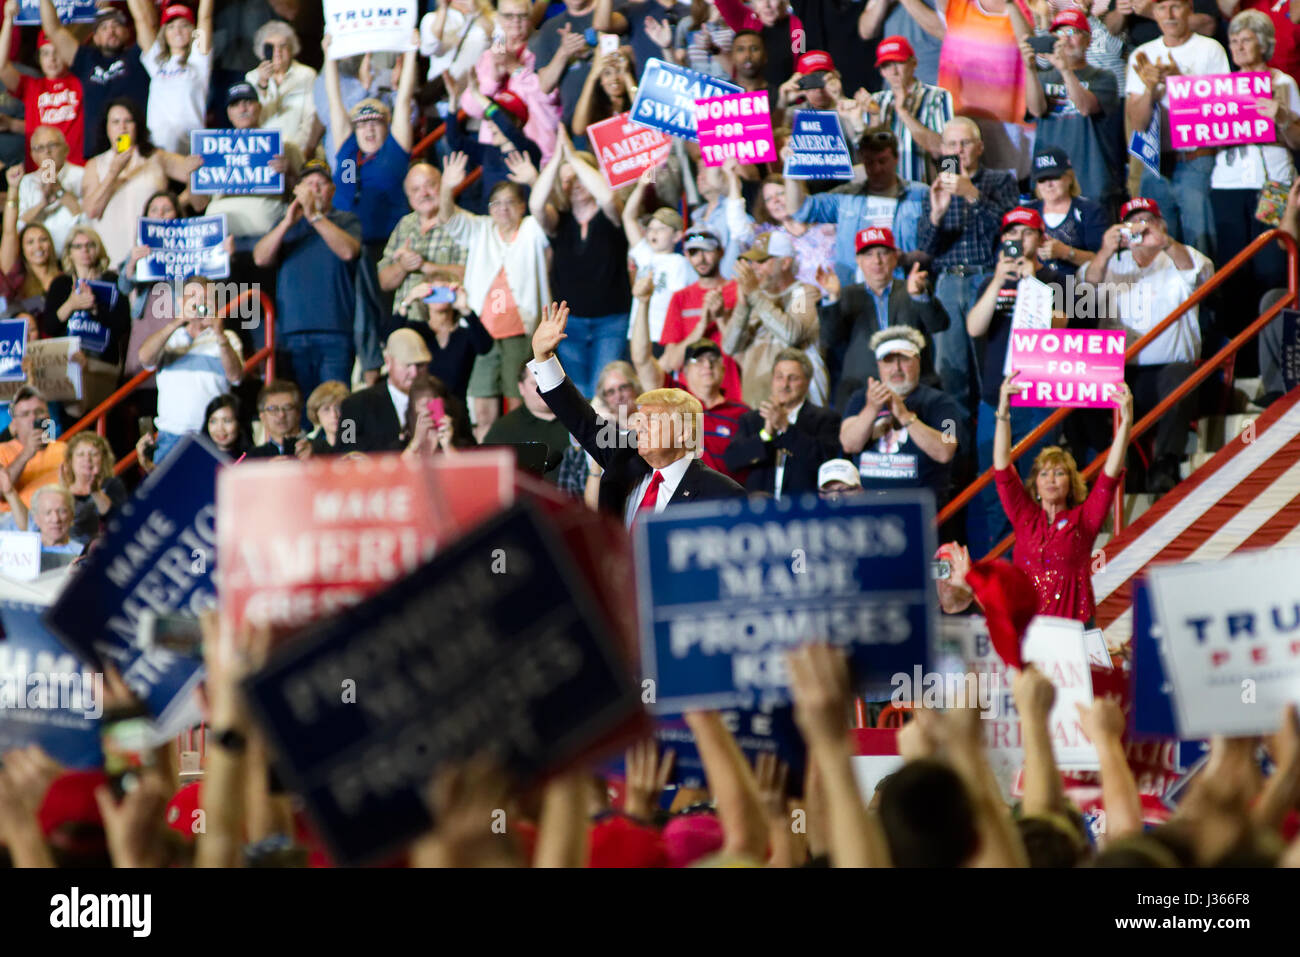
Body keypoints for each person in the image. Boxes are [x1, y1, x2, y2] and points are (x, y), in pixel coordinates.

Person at [528, 299, 745, 524]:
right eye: (639, 419)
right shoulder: (625, 457)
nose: (638, 426)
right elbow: (581, 419)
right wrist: (543, 358)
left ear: (683, 432)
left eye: (651, 419)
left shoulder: (722, 494)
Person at [1082, 196, 1214, 493]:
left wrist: (1164, 242)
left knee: (1180, 378)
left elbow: (1202, 274)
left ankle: (1164, 464)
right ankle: (1125, 470)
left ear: (1161, 225)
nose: (1140, 229)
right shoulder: (1111, 262)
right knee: (1085, 392)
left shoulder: (1180, 255)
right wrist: (1104, 252)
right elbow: (1084, 294)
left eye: (1148, 221)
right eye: (1133, 223)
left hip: (1170, 368)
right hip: (1122, 371)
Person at [967, 206, 1072, 553]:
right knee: (994, 487)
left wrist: (1033, 282)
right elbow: (974, 328)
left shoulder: (1058, 281)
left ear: (1041, 239)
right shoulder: (991, 280)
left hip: (1037, 398)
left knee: (1040, 485)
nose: (1017, 239)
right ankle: (1002, 565)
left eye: (1025, 233)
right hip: (996, 400)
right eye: (1010, 233)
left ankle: (1040, 560)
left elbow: (1059, 330)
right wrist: (1000, 279)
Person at [993, 370, 1134, 622]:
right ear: (1035, 484)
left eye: (1059, 473)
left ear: (1071, 483)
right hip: (1029, 631)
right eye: (1044, 474)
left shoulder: (1085, 519)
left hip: (1073, 632)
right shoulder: (1024, 516)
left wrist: (1126, 422)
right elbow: (1003, 468)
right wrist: (1003, 410)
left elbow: (1109, 476)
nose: (1050, 479)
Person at [438, 151, 551, 439]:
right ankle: (484, 463)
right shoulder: (480, 228)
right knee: (482, 406)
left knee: (517, 402)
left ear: (522, 205)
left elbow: (545, 213)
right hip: (481, 334)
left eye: (510, 203)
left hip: (521, 331)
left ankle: (518, 459)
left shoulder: (530, 228)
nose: (502, 209)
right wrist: (447, 187)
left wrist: (535, 180)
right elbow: (448, 217)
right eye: (496, 203)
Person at [254, 158, 381, 411]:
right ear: (298, 190)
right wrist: (287, 223)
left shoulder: (346, 220)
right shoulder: (286, 224)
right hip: (291, 334)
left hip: (335, 333)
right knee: (298, 410)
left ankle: (337, 450)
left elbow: (348, 252)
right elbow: (260, 257)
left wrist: (314, 216)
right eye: (309, 185)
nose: (315, 190)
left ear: (332, 191)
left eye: (321, 185)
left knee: (336, 408)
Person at [917, 116, 1020, 416]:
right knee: (950, 376)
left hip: (987, 280)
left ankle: (992, 444)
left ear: (980, 147)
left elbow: (1011, 232)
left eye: (965, 143)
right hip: (947, 283)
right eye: (951, 144)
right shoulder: (935, 187)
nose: (958, 150)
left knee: (989, 370)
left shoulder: (1000, 181)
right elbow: (926, 248)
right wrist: (936, 215)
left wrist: (972, 195)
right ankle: (957, 451)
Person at [1210, 9, 1300, 328]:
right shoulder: (1219, 87)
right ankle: (1241, 365)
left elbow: (1297, 140)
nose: (1237, 47)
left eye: (1246, 40)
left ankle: (1273, 355)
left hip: (1273, 183)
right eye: (1233, 41)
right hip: (1227, 185)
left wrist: (1283, 116)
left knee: (1271, 267)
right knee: (1235, 270)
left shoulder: (1284, 82)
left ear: (1263, 44)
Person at [529, 129, 628, 401]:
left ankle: (607, 445)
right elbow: (536, 205)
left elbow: (607, 197)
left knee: (604, 391)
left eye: (580, 176)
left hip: (611, 320)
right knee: (577, 395)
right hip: (569, 323)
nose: (574, 183)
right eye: (567, 180)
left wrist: (573, 158)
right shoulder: (559, 220)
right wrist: (557, 161)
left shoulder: (612, 216)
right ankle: (581, 445)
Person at [1125, 0, 1230, 255]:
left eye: (1176, 6)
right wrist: (1150, 88)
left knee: (1202, 244)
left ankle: (1206, 296)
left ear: (1189, 10)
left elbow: (1222, 112)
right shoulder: (1142, 54)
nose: (1169, 15)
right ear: (1154, 14)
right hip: (1155, 164)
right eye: (1162, 9)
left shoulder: (1210, 49)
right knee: (1157, 246)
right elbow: (1138, 124)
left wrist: (1177, 81)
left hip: (1196, 160)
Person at [816, 226, 948, 411]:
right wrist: (833, 299)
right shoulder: (846, 295)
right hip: (861, 390)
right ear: (858, 261)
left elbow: (939, 324)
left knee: (944, 434)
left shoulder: (913, 288)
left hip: (914, 389)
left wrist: (920, 296)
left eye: (883, 253)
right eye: (868, 255)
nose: (877, 261)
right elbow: (829, 339)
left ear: (895, 258)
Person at [630, 282, 750, 481]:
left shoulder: (742, 413)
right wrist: (642, 303)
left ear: (723, 368)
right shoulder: (672, 401)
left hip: (729, 501)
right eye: (698, 361)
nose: (707, 366)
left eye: (713, 360)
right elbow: (641, 360)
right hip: (681, 500)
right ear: (684, 370)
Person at [839, 326, 967, 503]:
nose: (896, 368)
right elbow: (849, 444)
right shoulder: (861, 399)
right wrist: (871, 409)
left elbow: (945, 450)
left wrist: (905, 416)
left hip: (919, 510)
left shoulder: (942, 403)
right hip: (868, 507)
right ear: (879, 366)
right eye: (889, 361)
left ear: (918, 361)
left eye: (904, 360)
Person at [789, 127, 928, 288]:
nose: (876, 169)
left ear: (896, 158)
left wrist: (906, 258)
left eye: (882, 161)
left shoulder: (920, 195)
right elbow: (799, 211)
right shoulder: (846, 196)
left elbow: (940, 247)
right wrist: (791, 170)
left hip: (905, 287)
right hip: (856, 290)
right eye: (869, 163)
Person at [322, 31, 417, 258]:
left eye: (376, 123)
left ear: (388, 126)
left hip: (387, 244)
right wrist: (329, 55)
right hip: (345, 241)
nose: (369, 129)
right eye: (362, 125)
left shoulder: (394, 149)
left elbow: (403, 100)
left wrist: (411, 52)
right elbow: (334, 100)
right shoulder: (347, 148)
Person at [80, 98, 203, 267]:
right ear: (107, 128)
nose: (122, 127)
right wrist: (113, 173)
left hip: (154, 256)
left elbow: (198, 176)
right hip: (111, 260)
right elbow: (91, 211)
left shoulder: (156, 157)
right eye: (116, 122)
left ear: (137, 125)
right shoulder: (95, 165)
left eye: (128, 121)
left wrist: (177, 204)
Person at [1020, 9, 1121, 210]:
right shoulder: (1043, 77)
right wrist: (1029, 69)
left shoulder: (1104, 77)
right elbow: (1036, 110)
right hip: (1050, 179)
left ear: (1088, 40)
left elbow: (1085, 107)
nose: (1066, 40)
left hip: (1093, 179)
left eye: (1073, 33)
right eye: (1060, 34)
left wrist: (1065, 70)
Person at [138, 276, 244, 465]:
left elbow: (235, 376)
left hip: (212, 436)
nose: (200, 303)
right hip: (170, 436)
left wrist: (219, 334)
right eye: (193, 297)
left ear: (216, 303)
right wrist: (177, 322)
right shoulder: (170, 337)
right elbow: (145, 357)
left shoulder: (228, 338)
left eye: (207, 298)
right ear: (181, 302)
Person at [719, 231, 824, 408]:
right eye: (752, 262)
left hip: (795, 408)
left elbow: (792, 335)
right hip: (755, 405)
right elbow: (729, 347)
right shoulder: (755, 296)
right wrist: (743, 307)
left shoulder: (802, 292)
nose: (754, 268)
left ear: (785, 262)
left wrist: (754, 294)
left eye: (761, 261)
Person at [723, 349, 843, 497]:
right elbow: (732, 460)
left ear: (807, 382)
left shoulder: (826, 419)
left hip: (804, 511)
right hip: (760, 511)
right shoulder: (752, 419)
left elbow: (825, 462)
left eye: (792, 378)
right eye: (779, 377)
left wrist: (785, 427)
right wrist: (766, 435)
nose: (784, 384)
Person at [40, 1, 149, 157]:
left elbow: (144, 20)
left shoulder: (139, 56)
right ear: (95, 38)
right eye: (104, 28)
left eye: (116, 25)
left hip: (135, 148)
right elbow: (53, 30)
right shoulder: (85, 59)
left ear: (127, 32)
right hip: (98, 150)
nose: (111, 31)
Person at [462, 0, 562, 162]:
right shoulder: (490, 55)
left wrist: (514, 68)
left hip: (536, 151)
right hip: (497, 152)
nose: (516, 22)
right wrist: (492, 79)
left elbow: (550, 98)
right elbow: (471, 108)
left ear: (531, 18)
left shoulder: (543, 48)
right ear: (499, 19)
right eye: (509, 16)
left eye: (522, 16)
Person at [378, 162, 469, 335]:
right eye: (415, 189)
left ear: (442, 185)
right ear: (409, 196)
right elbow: (384, 282)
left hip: (449, 329)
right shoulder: (404, 225)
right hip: (406, 325)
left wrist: (424, 266)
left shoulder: (462, 222)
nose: (424, 194)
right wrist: (402, 266)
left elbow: (468, 274)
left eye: (430, 185)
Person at [657, 227, 743, 401]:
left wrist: (720, 318)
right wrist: (702, 325)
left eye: (707, 250)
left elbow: (749, 355)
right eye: (694, 253)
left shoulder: (739, 291)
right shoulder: (680, 298)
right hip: (689, 400)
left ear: (721, 252)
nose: (701, 259)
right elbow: (672, 362)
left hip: (732, 395)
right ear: (687, 256)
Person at [0, 4, 84, 168]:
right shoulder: (32, 86)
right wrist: (9, 20)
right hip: (43, 171)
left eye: (56, 52)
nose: (51, 59)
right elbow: (2, 67)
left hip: (75, 169)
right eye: (45, 53)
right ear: (39, 58)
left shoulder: (81, 81)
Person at [863, 35, 953, 184]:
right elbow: (868, 153)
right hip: (885, 192)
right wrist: (872, 117)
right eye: (886, 65)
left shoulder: (938, 97)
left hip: (924, 191)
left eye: (898, 63)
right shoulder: (875, 101)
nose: (894, 71)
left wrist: (903, 112)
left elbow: (945, 150)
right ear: (881, 72)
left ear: (914, 63)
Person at [43, 226, 130, 370]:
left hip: (103, 363)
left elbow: (123, 325)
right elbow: (49, 326)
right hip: (67, 362)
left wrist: (95, 308)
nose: (85, 250)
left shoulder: (113, 280)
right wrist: (71, 305)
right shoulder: (60, 283)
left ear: (98, 249)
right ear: (69, 252)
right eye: (78, 246)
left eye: (90, 245)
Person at [135, 0, 214, 155]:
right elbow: (141, 19)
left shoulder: (199, 60)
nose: (177, 31)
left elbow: (205, 17)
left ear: (193, 30)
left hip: (191, 147)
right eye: (171, 27)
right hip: (157, 149)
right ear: (164, 33)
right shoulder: (157, 62)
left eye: (184, 25)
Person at [623, 173, 693, 343]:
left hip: (662, 335)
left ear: (677, 236)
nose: (654, 233)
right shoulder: (645, 254)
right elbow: (628, 217)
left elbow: (678, 302)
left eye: (661, 229)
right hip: (637, 334)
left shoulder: (679, 263)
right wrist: (641, 187)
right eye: (651, 229)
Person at [396, 280, 493, 404]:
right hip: (420, 409)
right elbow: (389, 338)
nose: (439, 296)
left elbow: (485, 347)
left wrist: (465, 308)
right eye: (433, 291)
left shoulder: (465, 335)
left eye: (444, 290)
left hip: (457, 411)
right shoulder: (416, 330)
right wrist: (408, 300)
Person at [337, 328, 431, 454]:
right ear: (388, 362)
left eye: (420, 365)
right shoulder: (355, 405)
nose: (414, 373)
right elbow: (346, 449)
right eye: (407, 365)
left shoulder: (445, 401)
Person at [482, 362, 577, 483]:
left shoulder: (581, 418)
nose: (543, 388)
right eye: (535, 384)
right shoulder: (503, 430)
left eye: (549, 381)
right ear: (521, 388)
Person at [1023, 146, 1109, 274]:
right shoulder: (1026, 212)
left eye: (1054, 177)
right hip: (1036, 286)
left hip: (1078, 287)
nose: (1048, 185)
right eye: (1042, 179)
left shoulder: (1090, 211)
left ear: (1069, 178)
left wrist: (1066, 252)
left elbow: (1103, 259)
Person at [749, 174, 837, 294]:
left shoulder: (826, 224)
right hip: (803, 303)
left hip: (841, 292)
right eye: (769, 199)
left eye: (780, 193)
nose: (775, 201)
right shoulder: (770, 239)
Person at [246, 20, 318, 153]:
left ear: (292, 50)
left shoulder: (307, 75)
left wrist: (299, 151)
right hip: (262, 149)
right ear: (262, 52)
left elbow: (310, 118)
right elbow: (251, 120)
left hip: (298, 149)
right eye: (271, 47)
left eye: (283, 46)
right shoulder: (252, 78)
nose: (277, 51)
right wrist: (262, 83)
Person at [13, 127, 84, 257]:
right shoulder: (26, 182)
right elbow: (20, 226)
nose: (47, 152)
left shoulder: (81, 175)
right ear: (33, 155)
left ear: (65, 149)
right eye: (40, 148)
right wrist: (42, 204)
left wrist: (60, 191)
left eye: (52, 145)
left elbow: (86, 219)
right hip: (37, 256)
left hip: (73, 255)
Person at [713, 0, 803, 92]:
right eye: (760, 0)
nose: (767, 5)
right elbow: (723, 2)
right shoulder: (746, 21)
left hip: (789, 99)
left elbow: (803, 58)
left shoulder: (798, 26)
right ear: (753, 4)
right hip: (753, 100)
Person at [0, 385, 65, 508]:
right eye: (25, 414)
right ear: (14, 422)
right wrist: (26, 453)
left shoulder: (64, 450)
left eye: (39, 412)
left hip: (54, 519)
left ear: (48, 417)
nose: (33, 418)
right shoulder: (1, 450)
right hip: (11, 522)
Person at [59, 431, 125, 541]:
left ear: (103, 459)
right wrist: (63, 491)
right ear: (70, 460)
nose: (87, 459)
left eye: (94, 454)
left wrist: (96, 492)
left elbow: (118, 520)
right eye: (81, 454)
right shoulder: (62, 488)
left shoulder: (113, 484)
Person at [402, 372, 476, 458]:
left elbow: (465, 470)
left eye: (435, 404)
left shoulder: (462, 441)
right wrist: (416, 442)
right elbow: (396, 469)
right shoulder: (404, 442)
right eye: (424, 404)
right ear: (414, 410)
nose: (430, 409)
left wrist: (448, 446)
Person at [571, 48, 638, 137]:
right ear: (600, 80)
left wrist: (627, 73)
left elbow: (643, 115)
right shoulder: (595, 107)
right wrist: (592, 76)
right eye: (607, 73)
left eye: (619, 71)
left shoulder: (635, 96)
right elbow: (578, 129)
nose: (614, 78)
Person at [248, 380, 310, 459]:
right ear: (262, 417)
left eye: (287, 408)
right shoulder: (254, 458)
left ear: (298, 413)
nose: (281, 415)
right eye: (273, 409)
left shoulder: (318, 448)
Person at [30, 483, 84, 560]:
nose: (56, 519)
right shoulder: (24, 552)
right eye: (48, 512)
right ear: (36, 518)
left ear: (72, 515)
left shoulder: (82, 554)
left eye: (62, 511)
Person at [201, 393, 252, 460]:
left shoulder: (251, 459)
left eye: (227, 421)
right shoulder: (197, 457)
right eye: (213, 421)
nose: (219, 428)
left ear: (240, 424)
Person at [305, 380, 349, 455]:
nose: (334, 415)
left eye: (339, 408)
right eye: (326, 409)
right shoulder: (309, 449)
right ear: (316, 414)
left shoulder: (360, 445)